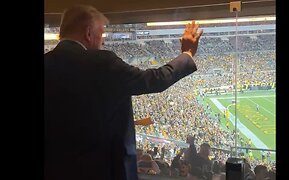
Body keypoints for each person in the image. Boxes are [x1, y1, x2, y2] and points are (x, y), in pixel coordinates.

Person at [44, 4, 203, 180]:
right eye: (101, 34)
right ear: (88, 33)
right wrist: (187, 54)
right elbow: (153, 80)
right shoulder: (102, 63)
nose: (102, 42)